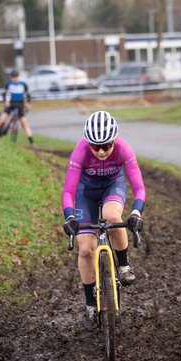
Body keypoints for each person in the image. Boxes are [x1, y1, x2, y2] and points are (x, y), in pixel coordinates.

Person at [62, 110, 146, 331]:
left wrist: (136, 213)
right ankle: (90, 304)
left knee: (112, 218)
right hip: (85, 192)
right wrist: (69, 216)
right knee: (86, 250)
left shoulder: (124, 149)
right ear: (88, 143)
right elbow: (69, 191)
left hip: (112, 186)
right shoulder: (80, 151)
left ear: (114, 140)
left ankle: (125, 266)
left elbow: (138, 187)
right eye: (94, 146)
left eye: (106, 146)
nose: (100, 151)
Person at [0, 69, 35, 145]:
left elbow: (28, 95)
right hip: (11, 104)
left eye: (16, 76)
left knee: (24, 123)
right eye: (13, 76)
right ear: (11, 77)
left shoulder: (23, 84)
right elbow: (4, 94)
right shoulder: (9, 84)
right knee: (2, 119)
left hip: (20, 105)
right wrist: (6, 101)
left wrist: (28, 103)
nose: (15, 78)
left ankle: (31, 141)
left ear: (18, 76)